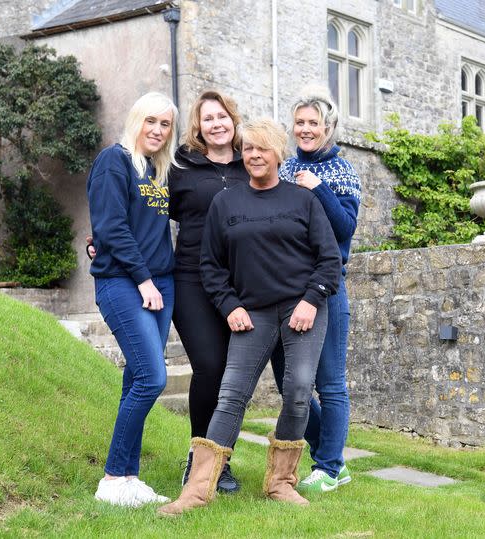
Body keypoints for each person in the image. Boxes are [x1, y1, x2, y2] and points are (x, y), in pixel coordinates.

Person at [158, 118, 341, 515]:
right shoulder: (227, 203)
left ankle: (281, 483)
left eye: (263, 149)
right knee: (230, 396)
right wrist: (230, 306)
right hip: (251, 314)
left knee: (297, 392)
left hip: (302, 311)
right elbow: (210, 266)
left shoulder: (303, 200)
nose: (255, 155)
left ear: (279, 154)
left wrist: (311, 300)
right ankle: (197, 490)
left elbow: (329, 260)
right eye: (250, 149)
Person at [87, 92, 178, 507]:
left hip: (161, 283)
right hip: (125, 283)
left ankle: (128, 476)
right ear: (136, 120)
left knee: (135, 378)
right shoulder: (115, 160)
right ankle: (111, 479)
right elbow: (112, 226)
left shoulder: (159, 172)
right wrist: (143, 281)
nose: (158, 130)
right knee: (152, 378)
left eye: (165, 125)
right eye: (151, 121)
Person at [271, 86, 361, 494]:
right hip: (285, 288)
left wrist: (317, 188)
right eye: (300, 122)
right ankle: (331, 453)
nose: (306, 129)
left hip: (327, 288)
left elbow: (345, 229)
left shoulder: (342, 173)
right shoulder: (285, 168)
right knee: (288, 380)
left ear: (328, 128)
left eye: (314, 123)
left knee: (330, 382)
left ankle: (328, 465)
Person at [169, 90, 248, 494]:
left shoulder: (247, 163)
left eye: (222, 116)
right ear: (198, 127)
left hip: (239, 285)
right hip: (191, 281)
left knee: (234, 378)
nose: (216, 124)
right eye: (208, 118)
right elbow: (145, 209)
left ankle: (223, 461)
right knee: (210, 366)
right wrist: (106, 240)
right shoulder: (180, 166)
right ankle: (199, 458)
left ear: (233, 120)